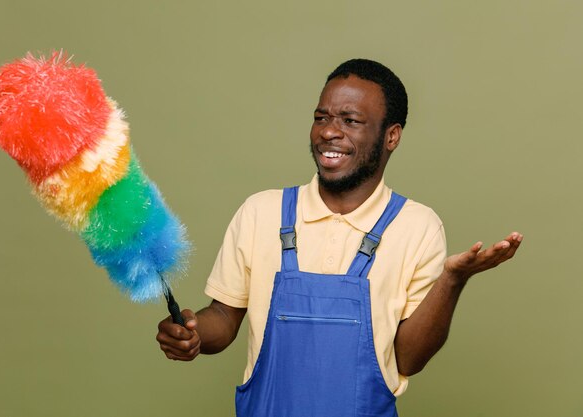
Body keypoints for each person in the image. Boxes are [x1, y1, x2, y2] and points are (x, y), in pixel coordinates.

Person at [156, 59, 523, 416]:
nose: (329, 132)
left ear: (391, 136)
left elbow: (409, 358)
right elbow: (223, 316)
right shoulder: (260, 212)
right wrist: (194, 333)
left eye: (350, 121)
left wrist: (453, 279)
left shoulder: (418, 226)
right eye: (321, 118)